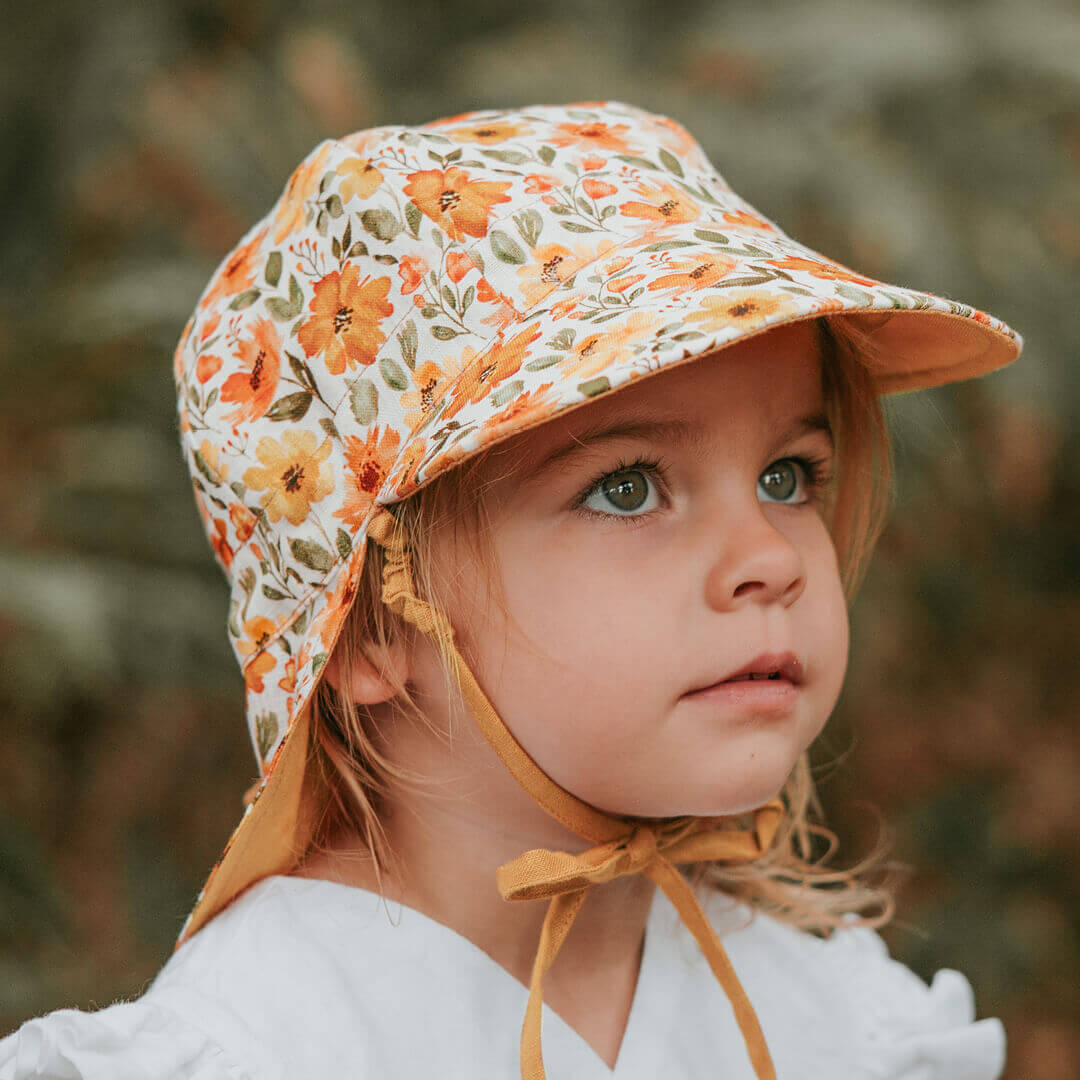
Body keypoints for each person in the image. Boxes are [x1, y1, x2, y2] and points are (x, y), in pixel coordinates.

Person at [0, 101, 1020, 1079]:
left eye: (788, 476)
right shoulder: (263, 1048)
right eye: (627, 488)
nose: (773, 555)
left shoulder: (833, 1020)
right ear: (365, 624)